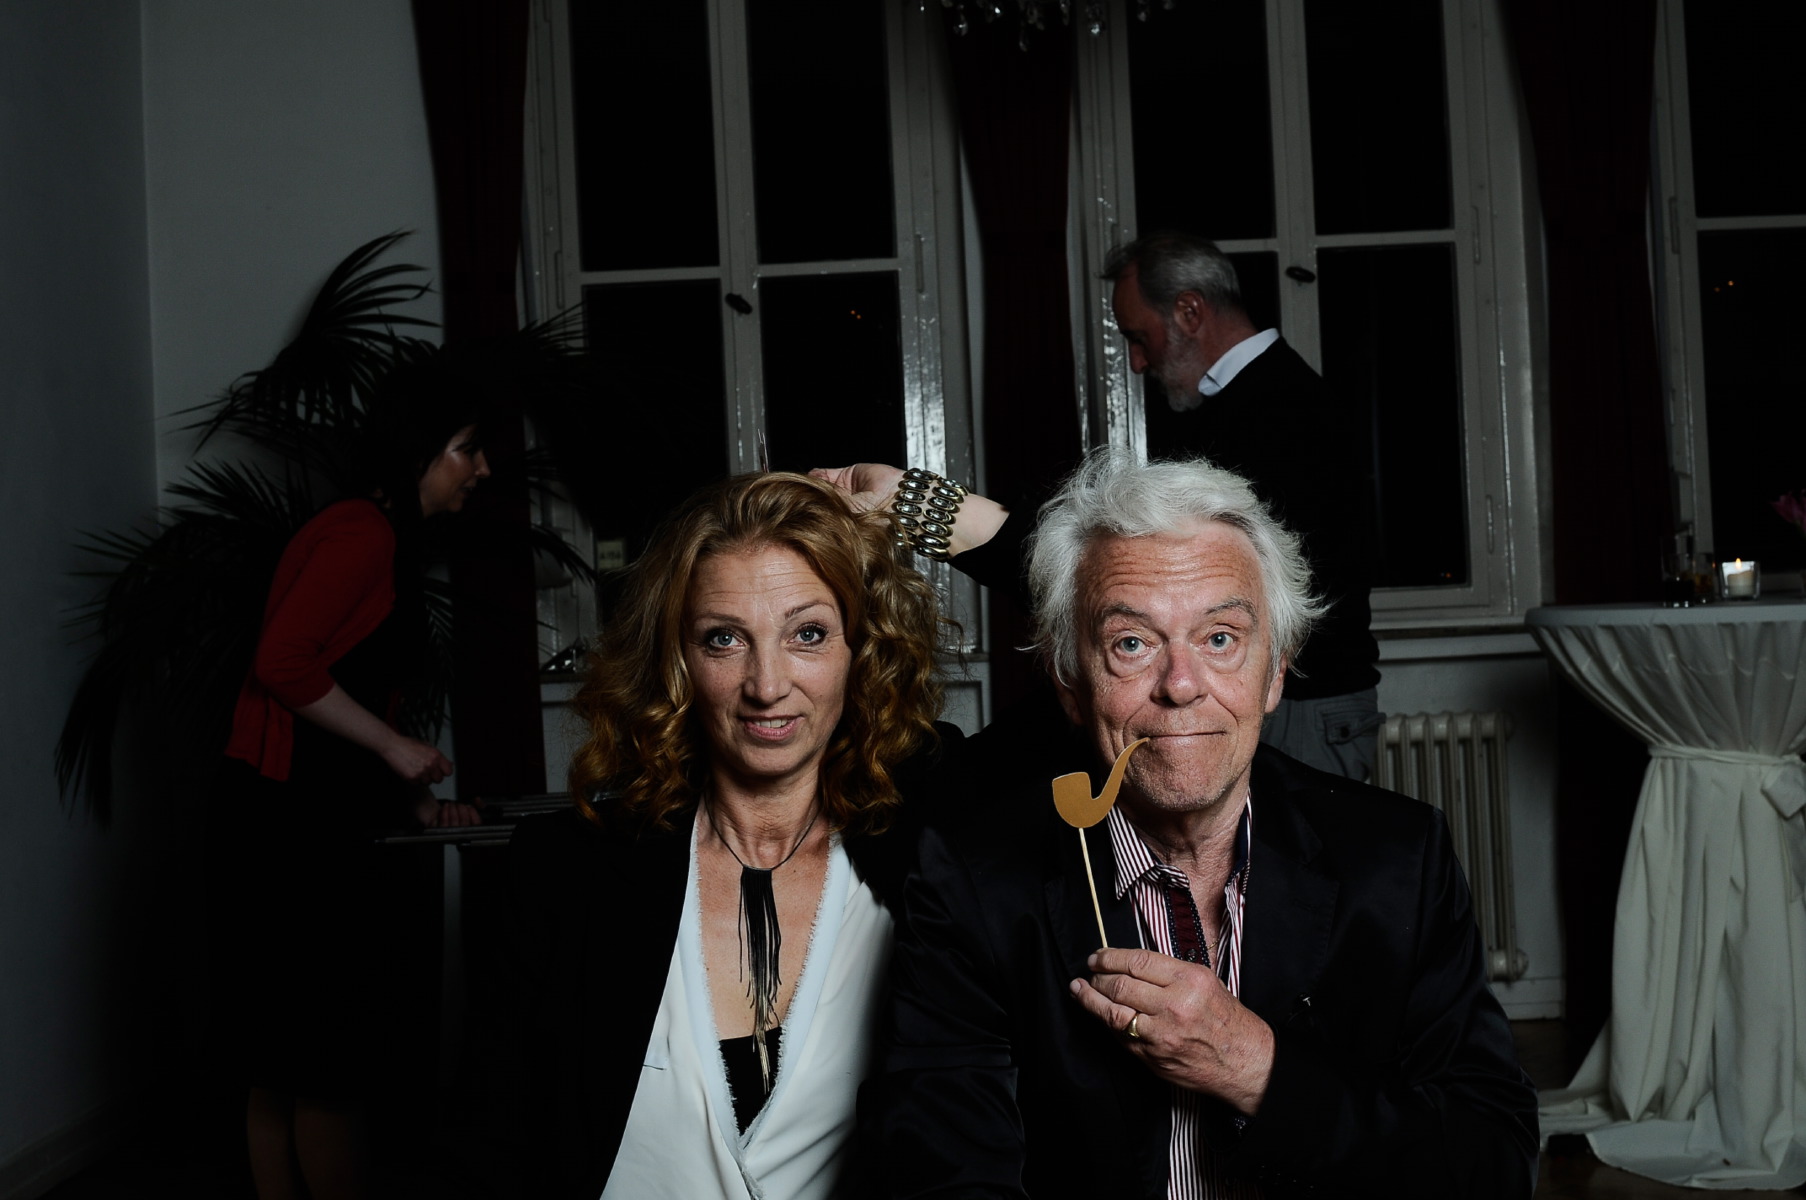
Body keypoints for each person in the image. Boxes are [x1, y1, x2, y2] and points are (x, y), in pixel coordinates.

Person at [864, 451, 1537, 1198]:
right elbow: (949, 1176)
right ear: (1070, 683)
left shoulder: (1400, 861)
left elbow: (1492, 1164)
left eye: (1220, 638)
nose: (1181, 686)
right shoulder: (973, 884)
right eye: (1131, 643)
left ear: (1275, 671)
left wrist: (1254, 1067)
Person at [487, 471, 949, 1199]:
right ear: (676, 660)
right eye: (724, 639)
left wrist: (934, 508)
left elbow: (1095, 681)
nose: (766, 684)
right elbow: (496, 1142)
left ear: (861, 649)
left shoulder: (927, 836)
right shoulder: (565, 870)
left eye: (807, 634)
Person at [816, 233, 1382, 782]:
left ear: (1189, 312)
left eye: (1139, 336)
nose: (1136, 361)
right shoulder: (1239, 405)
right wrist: (912, 500)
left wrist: (915, 502)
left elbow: (1138, 578)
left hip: (1302, 710)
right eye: (1130, 642)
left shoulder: (1287, 412)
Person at [213, 355, 490, 1200]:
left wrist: (418, 800)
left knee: (287, 1064)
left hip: (309, 817)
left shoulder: (380, 537)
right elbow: (282, 662)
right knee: (323, 1067)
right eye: (467, 448)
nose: (481, 468)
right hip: (297, 828)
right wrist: (398, 751)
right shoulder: (361, 534)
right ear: (419, 451)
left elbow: (362, 695)